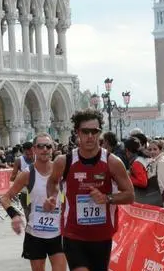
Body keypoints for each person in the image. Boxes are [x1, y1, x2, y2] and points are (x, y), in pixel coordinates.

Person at [44, 108, 135, 271]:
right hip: (73, 234)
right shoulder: (64, 161)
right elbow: (52, 183)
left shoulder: (112, 162)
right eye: (85, 131)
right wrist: (52, 197)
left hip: (102, 236)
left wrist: (107, 198)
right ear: (77, 133)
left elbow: (130, 195)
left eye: (95, 131)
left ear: (100, 133)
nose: (90, 136)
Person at [0, 133, 66, 271]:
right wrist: (15, 215)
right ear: (34, 149)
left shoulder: (61, 171)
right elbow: (5, 198)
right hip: (35, 233)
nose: (45, 149)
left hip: (58, 232)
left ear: (52, 149)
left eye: (48, 146)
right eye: (40, 146)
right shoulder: (28, 173)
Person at [12, 141, 36, 219]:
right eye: (27, 154)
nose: (29, 156)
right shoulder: (19, 160)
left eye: (31, 153)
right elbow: (12, 178)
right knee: (28, 216)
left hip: (38, 192)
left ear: (34, 150)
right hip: (26, 193)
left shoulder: (39, 158)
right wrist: (22, 177)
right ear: (24, 152)